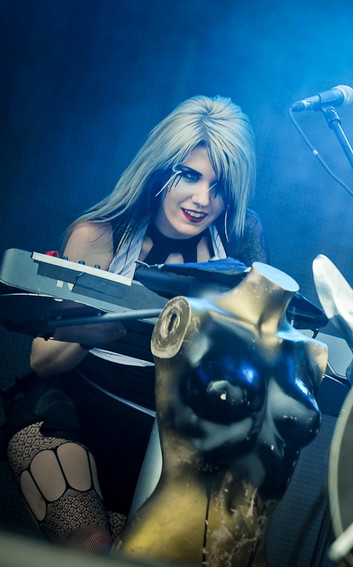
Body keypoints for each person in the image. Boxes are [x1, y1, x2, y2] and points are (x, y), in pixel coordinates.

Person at [3, 95, 268, 553]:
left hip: (160, 446)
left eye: (219, 186)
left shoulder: (239, 248)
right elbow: (43, 361)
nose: (203, 199)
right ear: (160, 169)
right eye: (189, 175)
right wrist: (99, 323)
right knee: (91, 549)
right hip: (70, 417)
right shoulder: (100, 236)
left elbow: (245, 375)